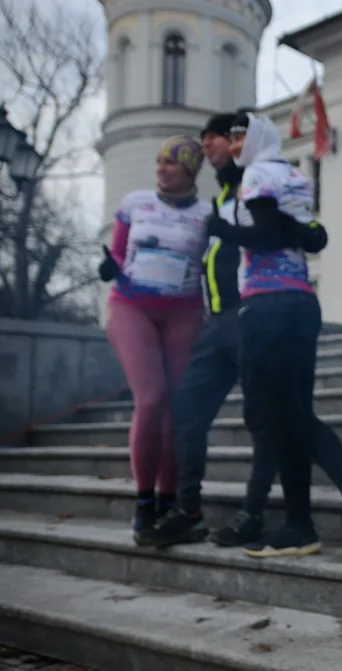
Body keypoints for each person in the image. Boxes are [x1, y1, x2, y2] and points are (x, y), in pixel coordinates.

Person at [139, 112, 342, 558]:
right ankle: (318, 511)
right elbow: (301, 231)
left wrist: (241, 227)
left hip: (259, 310)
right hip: (246, 313)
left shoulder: (254, 176)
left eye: (227, 137)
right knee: (277, 416)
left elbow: (297, 232)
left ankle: (269, 514)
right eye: (218, 139)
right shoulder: (255, 181)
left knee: (274, 418)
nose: (219, 146)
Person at [97, 135, 209, 543]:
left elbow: (213, 267)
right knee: (151, 397)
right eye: (159, 161)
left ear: (191, 172)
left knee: (176, 408)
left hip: (184, 311)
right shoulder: (135, 203)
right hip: (133, 307)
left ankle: (168, 500)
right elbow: (119, 253)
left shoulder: (206, 214)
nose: (161, 169)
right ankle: (144, 503)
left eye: (171, 164)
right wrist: (109, 266)